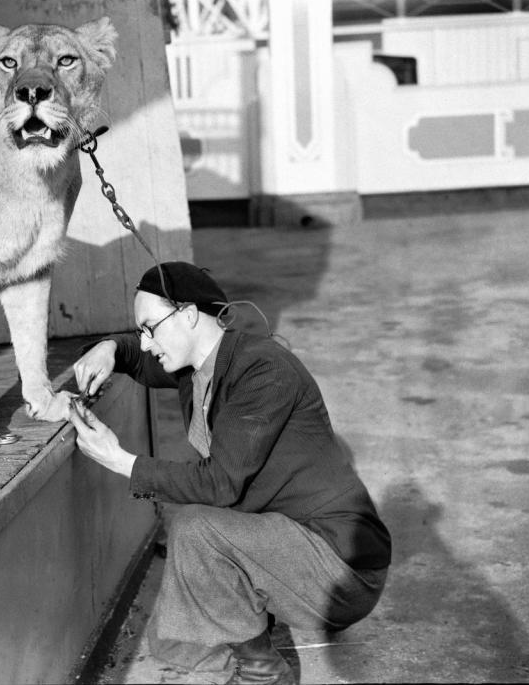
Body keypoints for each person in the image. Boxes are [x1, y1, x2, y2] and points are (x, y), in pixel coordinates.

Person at [68, 261, 390, 685]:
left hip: (343, 570)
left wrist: (120, 460)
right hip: (298, 543)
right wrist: (109, 346)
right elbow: (136, 357)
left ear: (186, 315)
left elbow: (218, 484)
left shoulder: (263, 370)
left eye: (149, 328)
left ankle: (263, 672)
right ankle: (258, 616)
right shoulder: (196, 366)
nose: (146, 344)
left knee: (196, 528)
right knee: (188, 604)